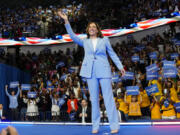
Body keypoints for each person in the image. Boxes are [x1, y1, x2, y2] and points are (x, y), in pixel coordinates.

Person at [58, 11, 125, 134]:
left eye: (94, 27)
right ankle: (95, 126)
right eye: (90, 27)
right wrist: (66, 21)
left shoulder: (104, 40)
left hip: (104, 71)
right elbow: (72, 36)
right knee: (94, 100)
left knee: (108, 98)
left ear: (97, 29)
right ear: (88, 30)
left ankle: (114, 125)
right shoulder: (85, 41)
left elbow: (112, 53)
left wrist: (120, 66)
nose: (92, 28)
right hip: (90, 72)